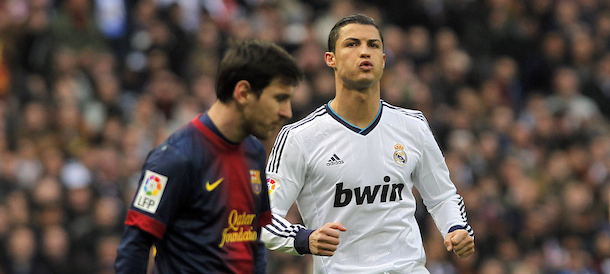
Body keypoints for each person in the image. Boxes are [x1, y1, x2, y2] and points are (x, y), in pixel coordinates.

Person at [261, 14, 475, 273]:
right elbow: (262, 217)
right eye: (352, 44)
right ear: (331, 59)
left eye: (373, 45)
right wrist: (304, 239)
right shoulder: (299, 137)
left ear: (383, 61)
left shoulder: (413, 126)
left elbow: (442, 196)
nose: (364, 52)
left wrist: (456, 227)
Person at [114, 39, 303, 273]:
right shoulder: (173, 159)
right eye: (279, 98)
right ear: (243, 92)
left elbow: (254, 240)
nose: (287, 111)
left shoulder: (254, 153)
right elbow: (135, 245)